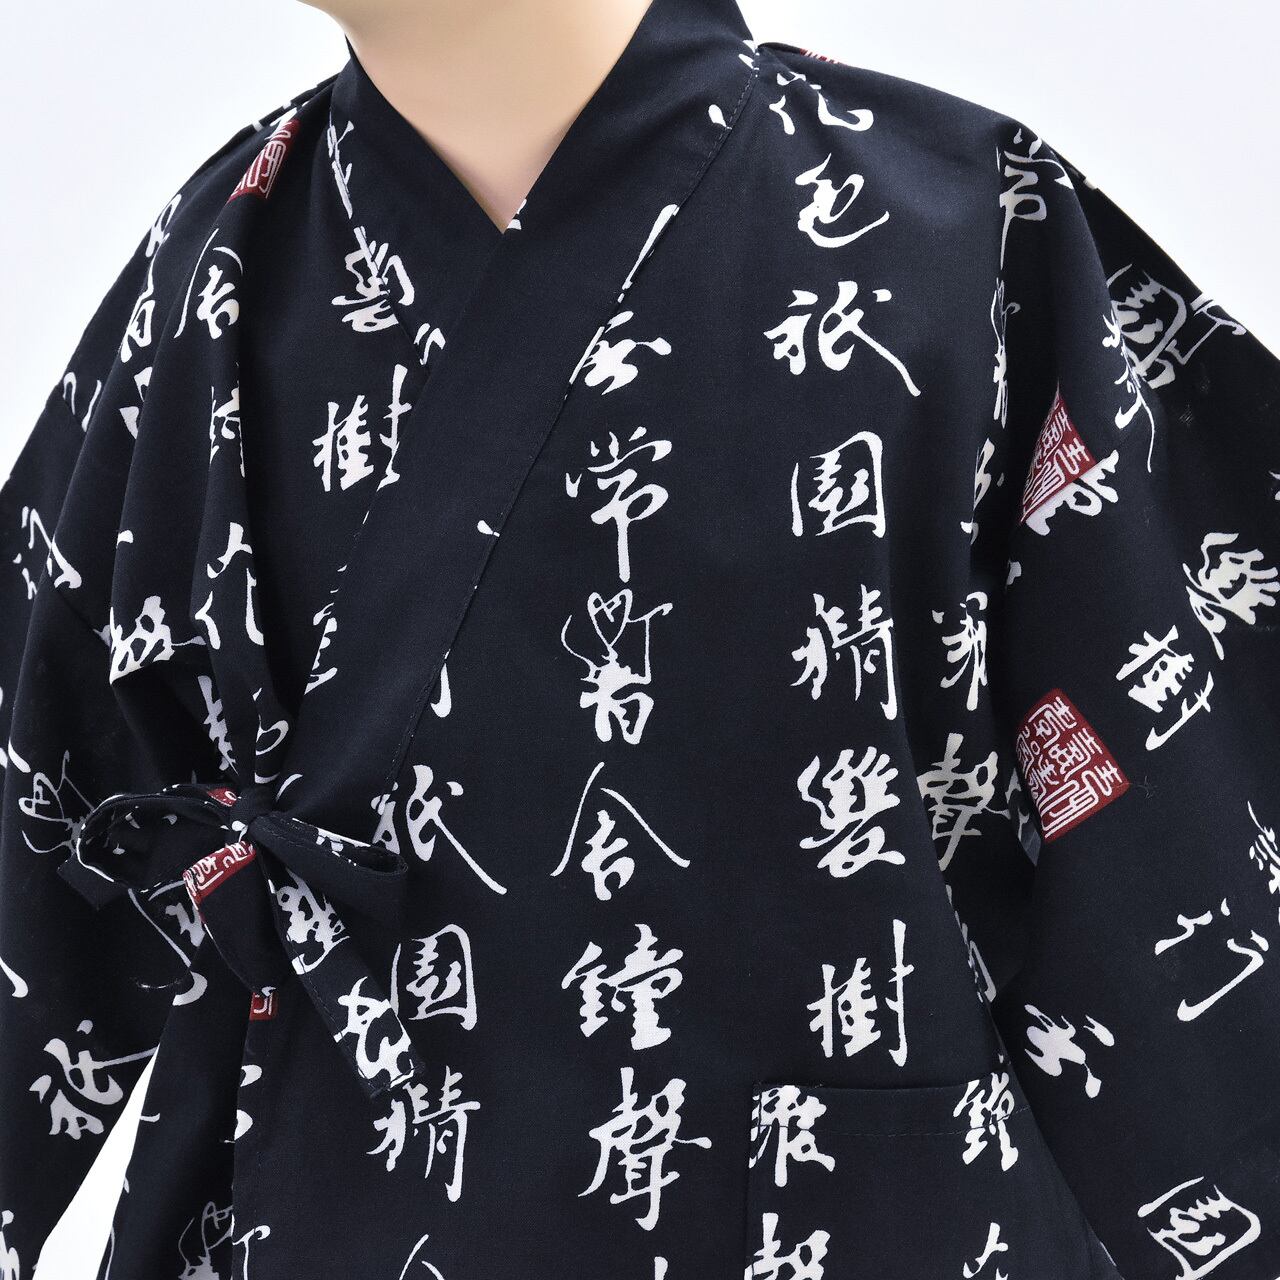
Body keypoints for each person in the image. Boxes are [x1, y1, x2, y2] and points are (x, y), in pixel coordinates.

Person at [1, 0, 1277, 1275]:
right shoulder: (212, 267)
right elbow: (42, 785)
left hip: (830, 1206)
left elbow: (1169, 811)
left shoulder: (953, 227)